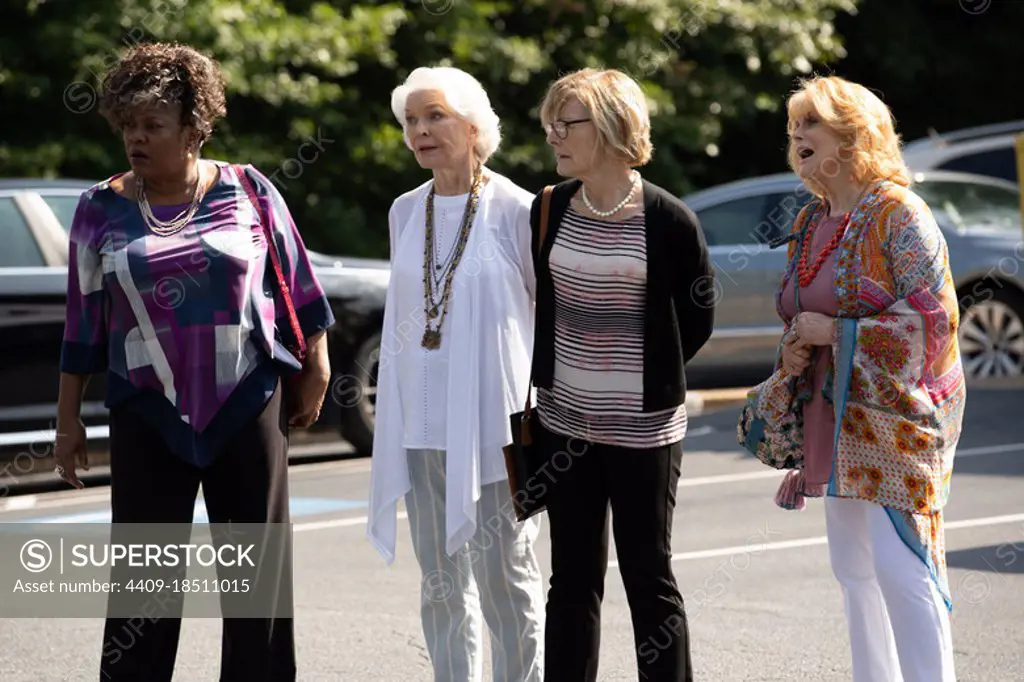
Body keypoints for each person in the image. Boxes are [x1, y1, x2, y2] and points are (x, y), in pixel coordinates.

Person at [54, 42, 335, 681]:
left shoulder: (249, 189)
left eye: (153, 125)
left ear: (194, 129)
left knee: (255, 582)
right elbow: (82, 322)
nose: (136, 138)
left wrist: (315, 365)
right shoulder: (100, 207)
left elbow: (300, 285)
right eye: (128, 125)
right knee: (144, 587)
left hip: (246, 401)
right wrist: (67, 419)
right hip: (146, 409)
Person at [774, 75, 965, 682]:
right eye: (794, 126)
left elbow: (936, 320)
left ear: (855, 136)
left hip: (898, 421)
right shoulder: (811, 219)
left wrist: (833, 334)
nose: (798, 135)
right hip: (833, 413)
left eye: (812, 124)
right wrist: (795, 347)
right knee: (853, 571)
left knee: (902, 568)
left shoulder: (897, 211)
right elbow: (798, 308)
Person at [529, 68, 716, 682]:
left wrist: (637, 379)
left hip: (644, 433)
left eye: (567, 123)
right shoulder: (549, 208)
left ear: (611, 127)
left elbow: (695, 321)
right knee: (572, 579)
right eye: (550, 123)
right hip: (563, 427)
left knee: (648, 576)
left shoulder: (668, 220)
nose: (554, 136)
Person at [365, 66, 546, 682]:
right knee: (440, 582)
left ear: (474, 125)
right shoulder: (402, 210)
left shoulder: (520, 209)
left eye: (434, 115)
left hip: (497, 426)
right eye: (410, 120)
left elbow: (542, 314)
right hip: (421, 424)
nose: (419, 130)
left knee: (507, 577)